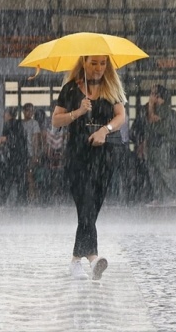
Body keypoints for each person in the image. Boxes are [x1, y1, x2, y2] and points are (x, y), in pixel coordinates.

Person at [52, 55, 126, 280]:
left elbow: (121, 116)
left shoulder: (111, 88)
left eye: (103, 63)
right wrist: (78, 112)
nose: (98, 68)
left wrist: (105, 130)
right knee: (85, 202)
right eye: (93, 63)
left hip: (105, 157)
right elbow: (56, 120)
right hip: (78, 156)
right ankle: (93, 259)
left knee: (91, 209)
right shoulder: (70, 89)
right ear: (83, 63)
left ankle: (76, 260)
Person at [144, 84, 176, 205]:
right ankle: (159, 197)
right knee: (153, 172)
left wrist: (150, 105)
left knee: (163, 171)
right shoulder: (157, 108)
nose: (150, 97)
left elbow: (152, 119)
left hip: (162, 143)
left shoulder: (163, 108)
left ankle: (174, 196)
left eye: (152, 94)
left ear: (158, 96)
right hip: (153, 143)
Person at [0, 107, 27, 207]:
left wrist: (6, 139)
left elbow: (16, 138)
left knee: (10, 178)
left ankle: (3, 200)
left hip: (15, 155)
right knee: (18, 178)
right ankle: (20, 200)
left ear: (9, 114)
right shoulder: (16, 124)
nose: (3, 115)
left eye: (5, 113)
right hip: (18, 155)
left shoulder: (11, 124)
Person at [22, 103, 41, 204]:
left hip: (30, 153)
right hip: (22, 153)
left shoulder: (34, 123)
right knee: (27, 176)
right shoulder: (20, 123)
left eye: (31, 111)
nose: (30, 113)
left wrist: (35, 154)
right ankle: (29, 197)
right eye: (28, 110)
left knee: (30, 176)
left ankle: (32, 197)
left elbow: (35, 140)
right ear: (23, 112)